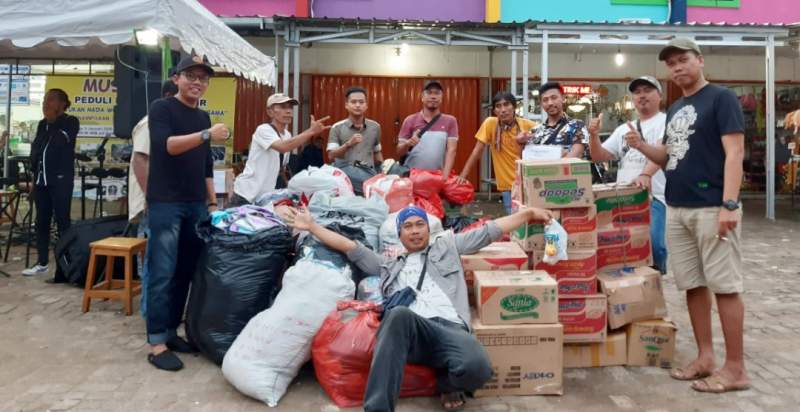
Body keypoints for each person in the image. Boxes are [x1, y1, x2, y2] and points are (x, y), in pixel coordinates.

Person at [286, 204, 554, 411]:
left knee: (479, 368)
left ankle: (446, 383)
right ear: (400, 234)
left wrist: (528, 213)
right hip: (409, 331)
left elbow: (489, 231)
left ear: (428, 229)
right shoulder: (387, 265)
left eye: (419, 225)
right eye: (408, 227)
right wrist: (311, 226)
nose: (415, 231)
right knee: (399, 314)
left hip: (449, 328)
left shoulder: (447, 247)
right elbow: (349, 246)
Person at [632, 38, 749, 393]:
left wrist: (729, 204)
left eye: (683, 60)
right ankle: (705, 357)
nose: (677, 67)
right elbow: (669, 156)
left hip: (712, 206)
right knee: (693, 285)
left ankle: (736, 368)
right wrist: (640, 147)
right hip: (677, 207)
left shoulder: (722, 98)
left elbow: (735, 152)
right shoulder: (678, 107)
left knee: (725, 287)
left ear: (699, 60)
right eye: (671, 64)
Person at [145, 56, 230, 371]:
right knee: (162, 272)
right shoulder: (161, 108)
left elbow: (206, 166)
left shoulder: (203, 116)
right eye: (191, 76)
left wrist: (211, 203)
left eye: (203, 79)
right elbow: (166, 145)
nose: (197, 82)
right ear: (177, 78)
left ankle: (170, 332)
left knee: (185, 272)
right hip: (166, 203)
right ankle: (156, 344)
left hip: (196, 204)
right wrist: (207, 134)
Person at [587, 76, 668, 274]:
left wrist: (645, 174)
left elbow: (663, 152)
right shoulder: (623, 128)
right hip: (623, 197)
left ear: (660, 95)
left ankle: (653, 281)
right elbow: (599, 156)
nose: (642, 95)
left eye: (647, 90)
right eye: (637, 92)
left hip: (653, 196)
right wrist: (593, 136)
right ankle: (633, 291)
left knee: (655, 246)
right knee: (626, 249)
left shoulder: (667, 121)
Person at [128, 80, 178, 317]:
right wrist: (151, 197)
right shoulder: (149, 124)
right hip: (153, 203)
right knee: (153, 261)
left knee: (165, 260)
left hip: (167, 202)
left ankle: (162, 310)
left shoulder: (168, 125)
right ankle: (151, 313)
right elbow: (140, 160)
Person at [231, 93, 330, 205]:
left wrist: (289, 186)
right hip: (246, 194)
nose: (288, 111)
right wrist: (311, 132)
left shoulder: (287, 135)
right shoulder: (263, 130)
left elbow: (282, 167)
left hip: (264, 197)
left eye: (290, 107)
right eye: (283, 107)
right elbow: (283, 147)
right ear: (270, 112)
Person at [23, 88, 79, 278]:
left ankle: (65, 264)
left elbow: (58, 142)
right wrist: (32, 181)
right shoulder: (41, 125)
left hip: (60, 180)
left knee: (63, 221)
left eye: (51, 100)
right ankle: (42, 262)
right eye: (45, 100)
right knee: (41, 221)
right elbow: (37, 151)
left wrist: (51, 121)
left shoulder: (70, 122)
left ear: (62, 104)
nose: (45, 103)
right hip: (41, 181)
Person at [457, 91, 534, 215]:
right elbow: (477, 151)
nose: (503, 110)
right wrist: (463, 176)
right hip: (508, 187)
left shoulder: (528, 126)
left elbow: (541, 152)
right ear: (494, 111)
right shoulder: (490, 124)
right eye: (498, 106)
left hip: (528, 184)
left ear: (514, 107)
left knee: (533, 222)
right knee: (516, 224)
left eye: (506, 104)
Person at [396, 80, 459, 179]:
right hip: (411, 178)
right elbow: (399, 152)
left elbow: (452, 150)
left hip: (436, 178)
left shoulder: (450, 121)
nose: (433, 96)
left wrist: (445, 177)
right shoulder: (410, 120)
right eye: (429, 93)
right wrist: (408, 144)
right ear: (422, 97)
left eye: (437, 93)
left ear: (441, 98)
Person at [517, 82, 586, 159]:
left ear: (563, 98)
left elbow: (574, 157)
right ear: (541, 104)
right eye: (545, 100)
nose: (550, 103)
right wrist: (521, 144)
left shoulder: (577, 126)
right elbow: (526, 159)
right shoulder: (535, 131)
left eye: (554, 97)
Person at [327, 86, 383, 168]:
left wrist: (382, 170)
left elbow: (377, 152)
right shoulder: (336, 127)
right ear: (346, 105)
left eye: (361, 102)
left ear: (366, 105)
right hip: (345, 176)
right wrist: (348, 144)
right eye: (353, 102)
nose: (357, 105)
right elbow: (331, 156)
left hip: (368, 174)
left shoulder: (375, 127)